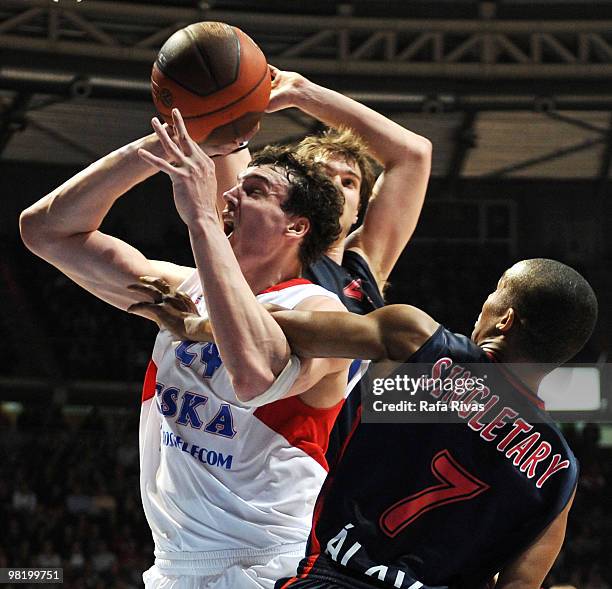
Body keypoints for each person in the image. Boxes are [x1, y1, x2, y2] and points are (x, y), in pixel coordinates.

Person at [20, 109, 352, 588]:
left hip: (268, 565)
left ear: (295, 228)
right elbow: (46, 232)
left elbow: (255, 377)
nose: (230, 194)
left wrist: (200, 217)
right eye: (237, 187)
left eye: (254, 191)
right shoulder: (185, 288)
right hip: (174, 564)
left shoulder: (320, 312)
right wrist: (154, 151)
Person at [143, 259, 597, 589]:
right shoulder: (561, 470)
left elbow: (281, 329)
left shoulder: (418, 341)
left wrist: (195, 326)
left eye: (497, 288)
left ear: (506, 317)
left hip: (335, 576)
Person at [217, 66, 432, 462]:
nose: (335, 184)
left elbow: (413, 155)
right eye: (322, 175)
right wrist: (230, 107)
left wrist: (301, 92)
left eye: (349, 182)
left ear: (358, 211)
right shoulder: (265, 248)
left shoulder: (363, 266)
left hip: (348, 470)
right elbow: (227, 144)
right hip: (258, 464)